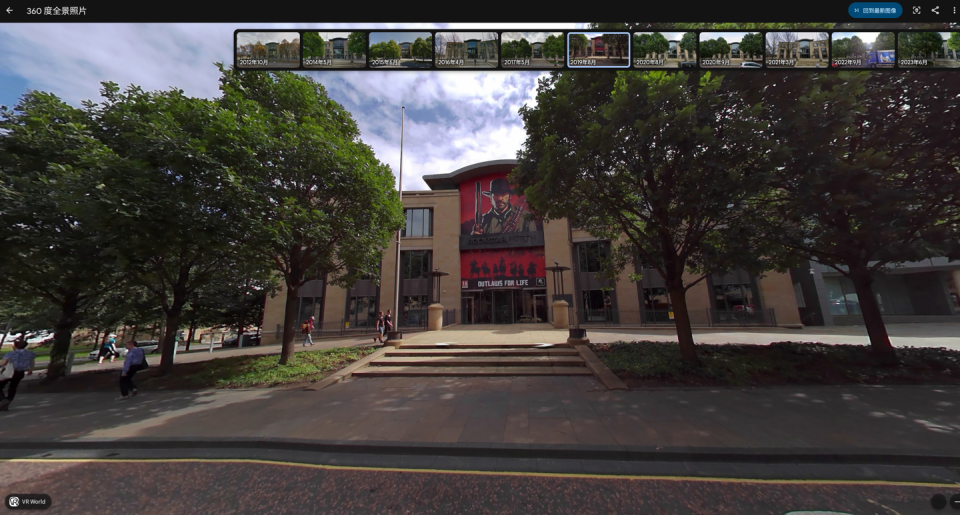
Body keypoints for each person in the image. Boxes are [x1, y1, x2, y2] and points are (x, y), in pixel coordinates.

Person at [471, 178, 538, 235]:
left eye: (503, 194)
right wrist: (475, 239)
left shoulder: (526, 217)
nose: (500, 198)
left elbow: (534, 242)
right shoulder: (483, 220)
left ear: (510, 196)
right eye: (496, 194)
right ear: (491, 197)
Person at [0, 337, 36, 411]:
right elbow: (32, 362)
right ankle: (8, 400)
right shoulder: (30, 353)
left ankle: (3, 400)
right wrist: (30, 370)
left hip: (10, 372)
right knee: (13, 387)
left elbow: (3, 363)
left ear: (15, 346)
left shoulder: (10, 354)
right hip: (20, 372)